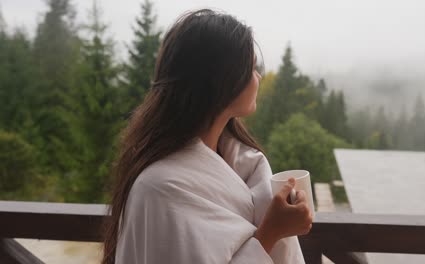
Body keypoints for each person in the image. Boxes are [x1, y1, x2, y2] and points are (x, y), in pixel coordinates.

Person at [101, 8, 313, 264]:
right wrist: (272, 233)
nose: (258, 77)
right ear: (221, 80)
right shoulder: (158, 189)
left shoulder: (247, 165)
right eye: (251, 68)